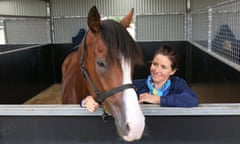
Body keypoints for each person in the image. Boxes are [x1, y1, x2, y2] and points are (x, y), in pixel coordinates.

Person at [81, 45, 199, 112]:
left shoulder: (178, 85)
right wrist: (89, 99)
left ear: (172, 71)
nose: (157, 70)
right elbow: (109, 94)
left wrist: (157, 99)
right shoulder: (136, 85)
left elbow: (192, 100)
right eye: (155, 64)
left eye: (163, 67)